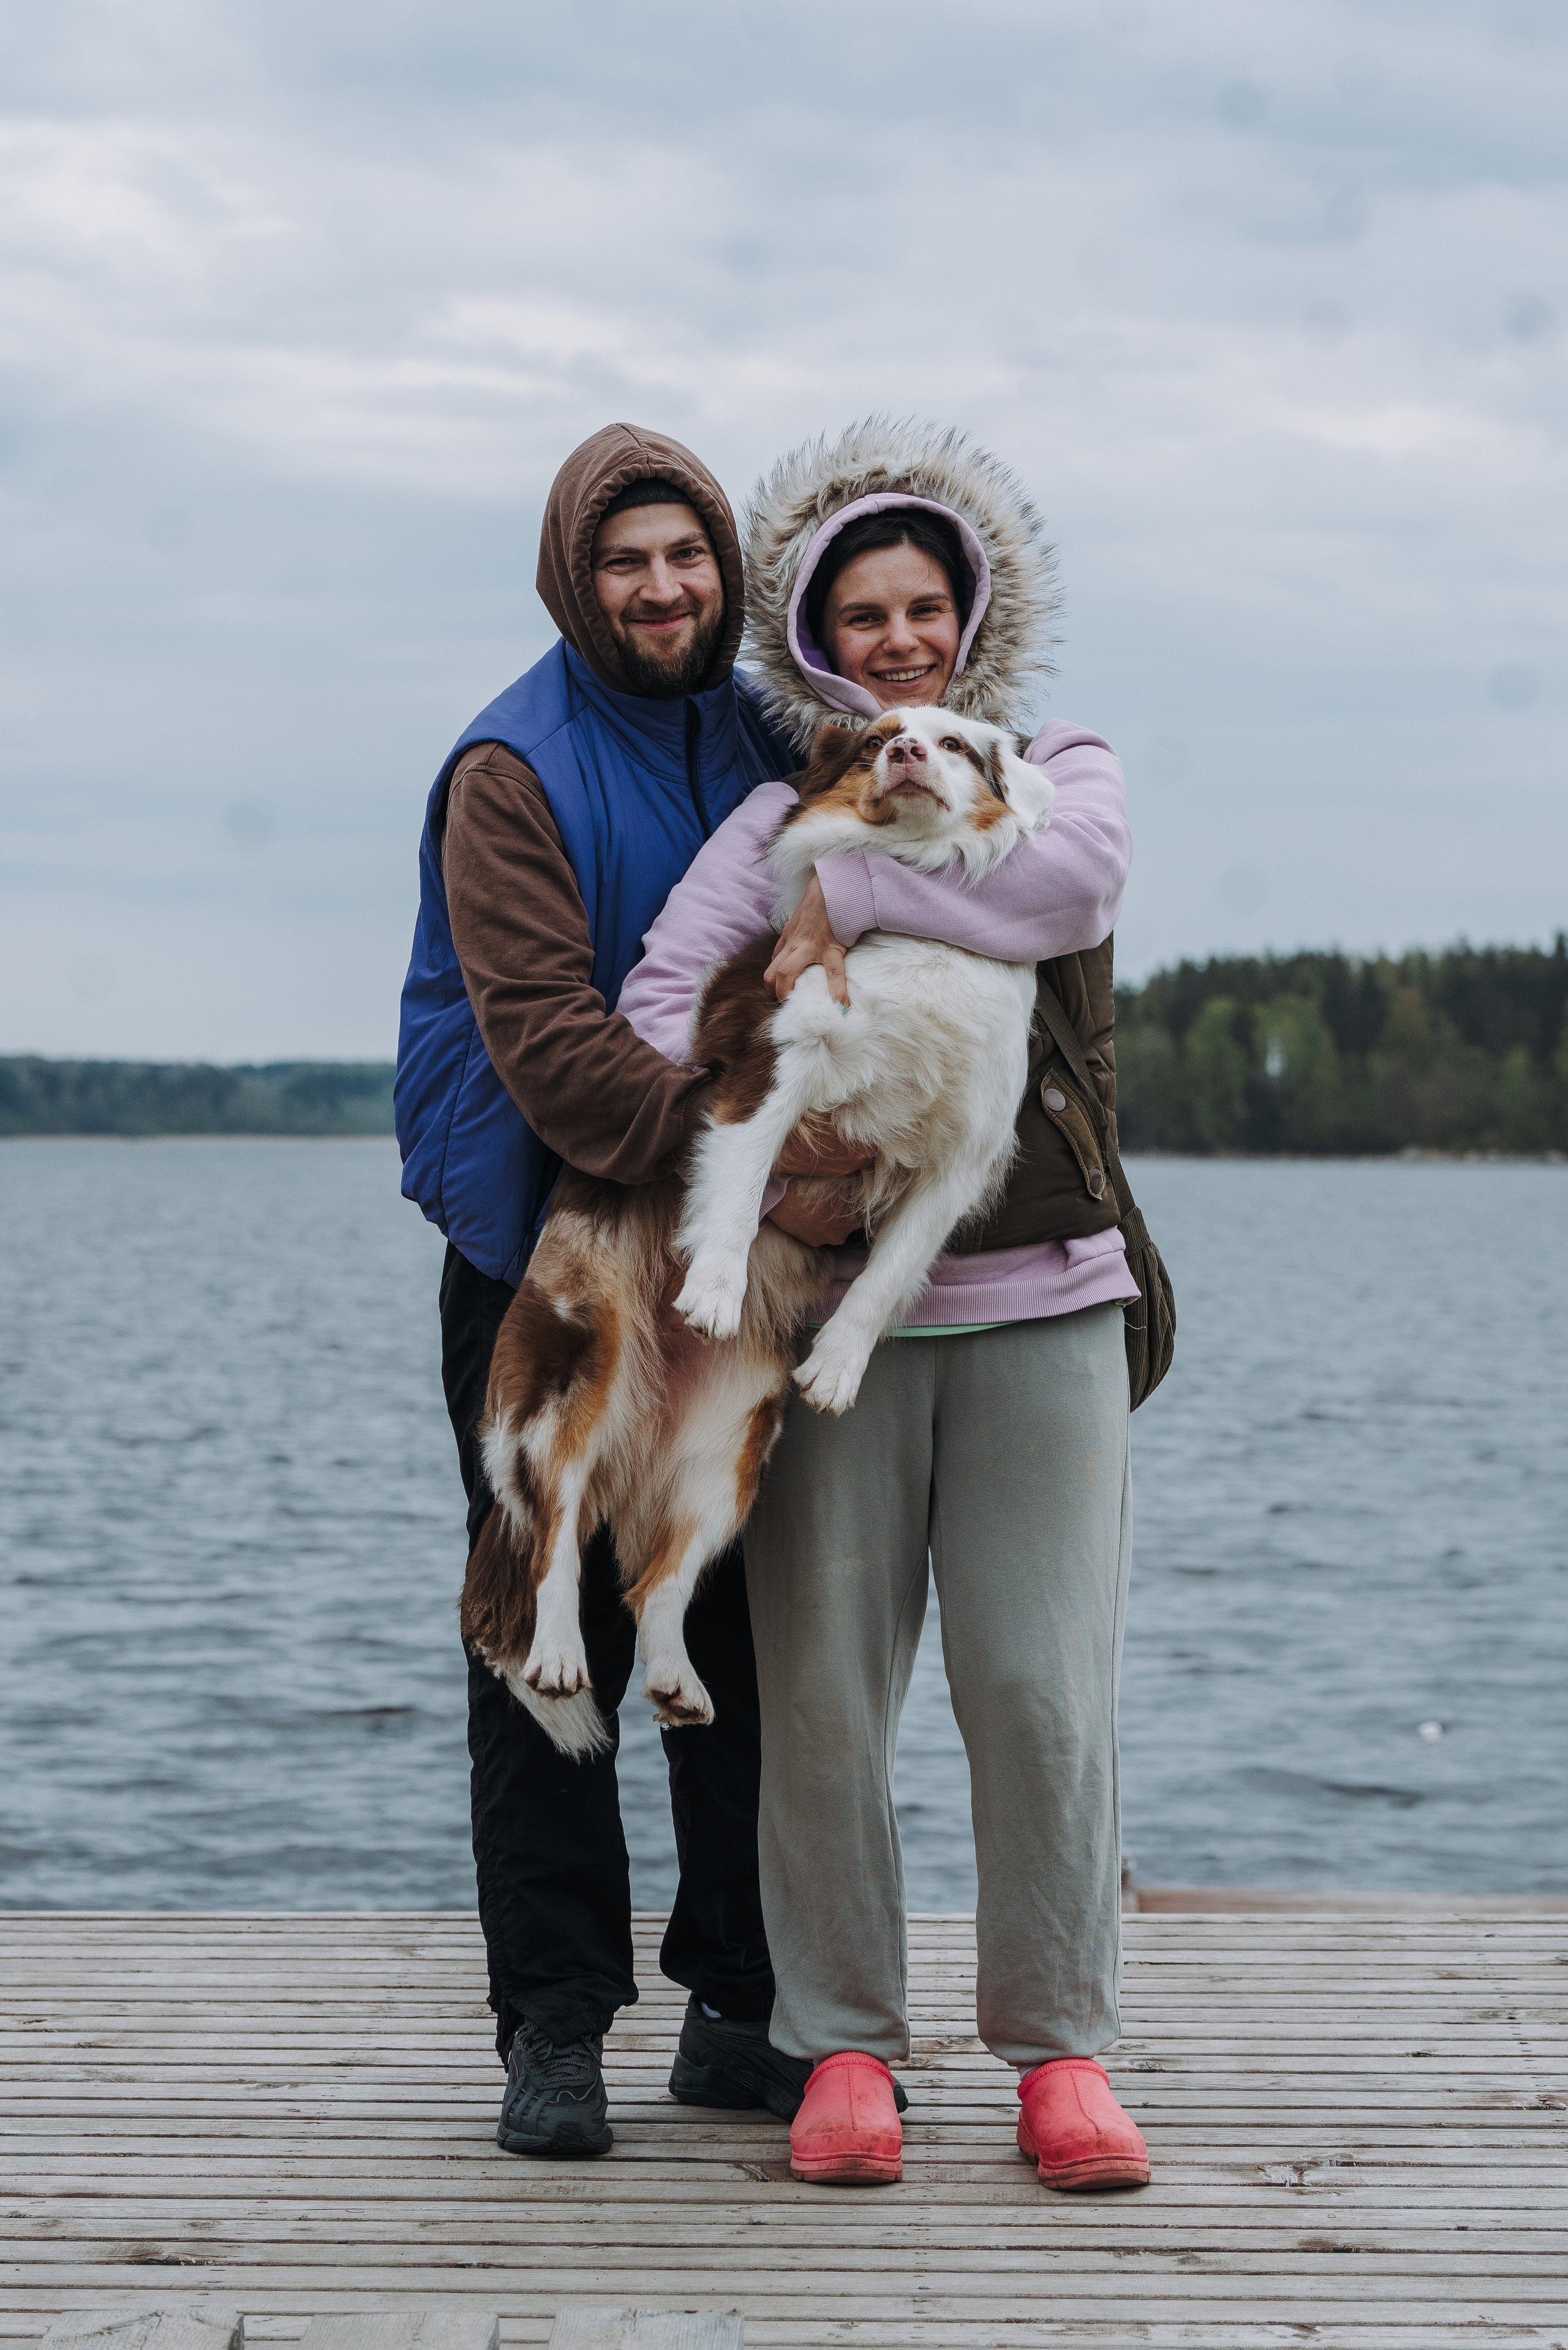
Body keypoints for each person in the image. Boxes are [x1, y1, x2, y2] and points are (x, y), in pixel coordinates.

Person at [617, 416, 1150, 2191]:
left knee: (1039, 1686)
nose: (901, 638)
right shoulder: (775, 806)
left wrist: (836, 887)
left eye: (926, 607)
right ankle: (844, 2045)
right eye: (866, 618)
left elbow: (1061, 882)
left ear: (970, 615)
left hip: (1044, 1291)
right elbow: (655, 997)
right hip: (829, 1301)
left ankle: (1059, 2052)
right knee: (828, 1695)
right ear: (818, 643)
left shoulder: (1057, 761)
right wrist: (746, 1072)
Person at [394, 423, 814, 2159]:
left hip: (728, 1249)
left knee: (729, 1615)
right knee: (541, 1622)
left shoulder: (769, 731)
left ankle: (738, 2004)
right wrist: (772, 1172)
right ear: (580, 578)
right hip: (542, 1252)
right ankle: (554, 2025)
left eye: (688, 556)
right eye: (627, 560)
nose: (663, 588)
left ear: (727, 569)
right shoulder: (513, 766)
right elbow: (557, 1055)